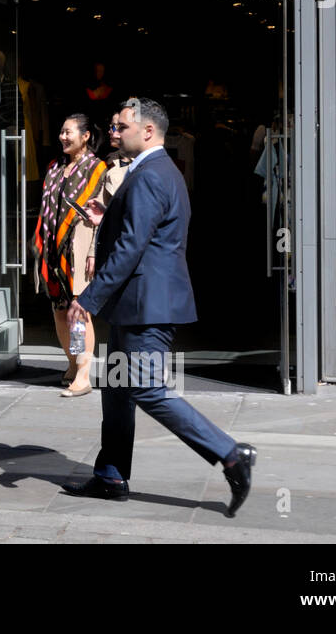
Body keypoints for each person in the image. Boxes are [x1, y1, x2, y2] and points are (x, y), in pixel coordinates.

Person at [66, 97, 257, 516]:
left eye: (121, 127)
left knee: (147, 389)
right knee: (116, 389)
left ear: (147, 131)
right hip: (133, 305)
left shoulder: (152, 174)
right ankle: (111, 475)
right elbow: (141, 232)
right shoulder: (148, 171)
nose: (114, 132)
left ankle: (230, 454)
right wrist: (107, 218)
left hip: (147, 306)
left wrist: (88, 298)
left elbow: (134, 246)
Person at [33, 114, 106, 396]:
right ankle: (73, 363)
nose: (63, 137)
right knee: (60, 311)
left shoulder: (97, 168)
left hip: (79, 252)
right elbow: (45, 208)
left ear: (85, 136)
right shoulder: (55, 166)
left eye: (69, 132)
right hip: (53, 251)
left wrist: (92, 252)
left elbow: (100, 216)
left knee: (78, 313)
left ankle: (84, 374)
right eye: (61, 132)